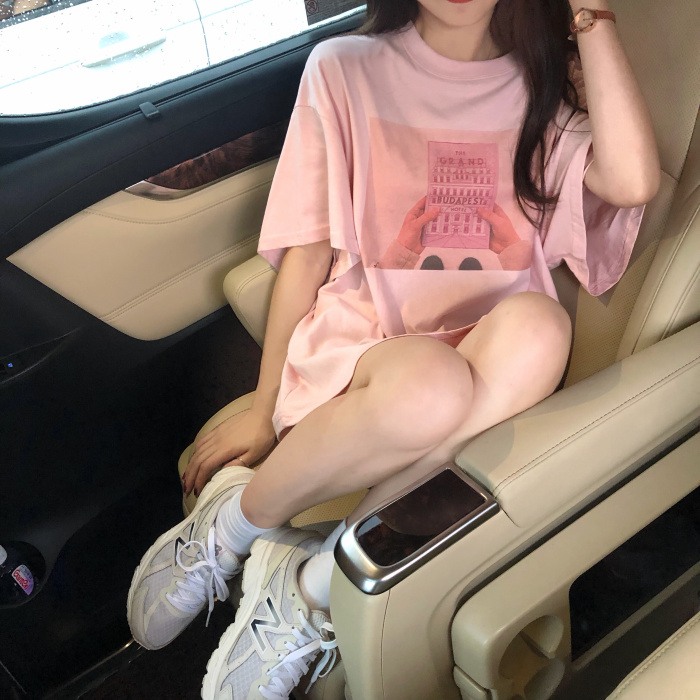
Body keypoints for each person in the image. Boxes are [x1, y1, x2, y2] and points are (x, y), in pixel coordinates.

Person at [127, 1, 660, 698]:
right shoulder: (344, 68)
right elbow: (307, 251)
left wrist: (589, 15)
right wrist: (263, 407)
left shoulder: (542, 90)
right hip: (369, 349)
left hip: (491, 357)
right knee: (429, 387)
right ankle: (227, 531)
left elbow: (633, 181)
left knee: (544, 327)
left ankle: (310, 586)